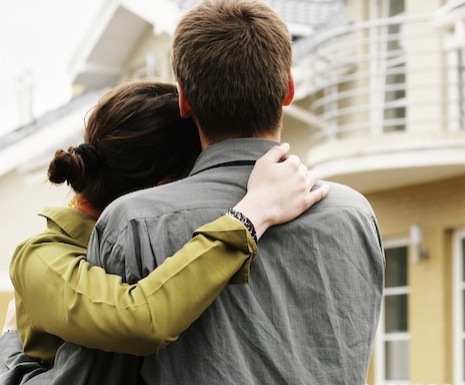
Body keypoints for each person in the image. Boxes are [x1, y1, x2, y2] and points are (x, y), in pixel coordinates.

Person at [13, 0, 385, 384]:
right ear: (288, 89)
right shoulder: (353, 213)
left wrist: (11, 349)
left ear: (185, 100)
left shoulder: (135, 225)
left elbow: (117, 345)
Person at [0, 80, 327, 384]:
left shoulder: (170, 243)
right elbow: (138, 320)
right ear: (165, 188)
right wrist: (252, 214)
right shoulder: (41, 257)